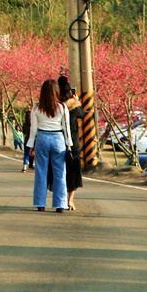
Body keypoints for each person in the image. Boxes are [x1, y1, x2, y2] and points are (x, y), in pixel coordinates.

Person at [27, 78, 72, 212]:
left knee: (41, 172)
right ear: (57, 92)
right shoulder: (62, 107)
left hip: (42, 138)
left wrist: (31, 145)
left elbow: (33, 129)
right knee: (60, 172)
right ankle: (60, 204)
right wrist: (69, 144)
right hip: (58, 139)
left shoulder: (36, 108)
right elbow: (66, 127)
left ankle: (40, 203)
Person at [59, 77, 84, 211]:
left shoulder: (56, 107)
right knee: (72, 172)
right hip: (73, 143)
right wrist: (77, 100)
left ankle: (60, 199)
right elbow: (82, 114)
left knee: (59, 172)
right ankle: (70, 200)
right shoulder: (74, 107)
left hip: (58, 141)